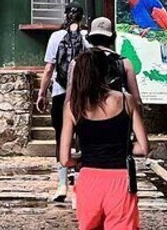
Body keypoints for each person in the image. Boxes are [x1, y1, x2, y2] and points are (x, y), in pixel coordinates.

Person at [60, 50, 149, 230]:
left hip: (89, 181)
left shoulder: (73, 107)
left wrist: (82, 157)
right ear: (105, 72)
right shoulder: (126, 100)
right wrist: (121, 148)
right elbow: (143, 148)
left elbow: (64, 159)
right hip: (120, 180)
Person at [36, 1, 89, 202]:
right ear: (82, 18)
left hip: (60, 94)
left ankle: (61, 185)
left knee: (62, 138)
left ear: (65, 16)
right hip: (83, 95)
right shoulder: (87, 38)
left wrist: (42, 94)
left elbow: (49, 69)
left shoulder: (56, 37)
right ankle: (79, 187)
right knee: (83, 139)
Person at [78, 17, 142, 108]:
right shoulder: (124, 63)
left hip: (87, 113)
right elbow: (137, 101)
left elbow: (70, 99)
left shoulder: (77, 62)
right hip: (118, 112)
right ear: (113, 37)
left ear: (89, 38)